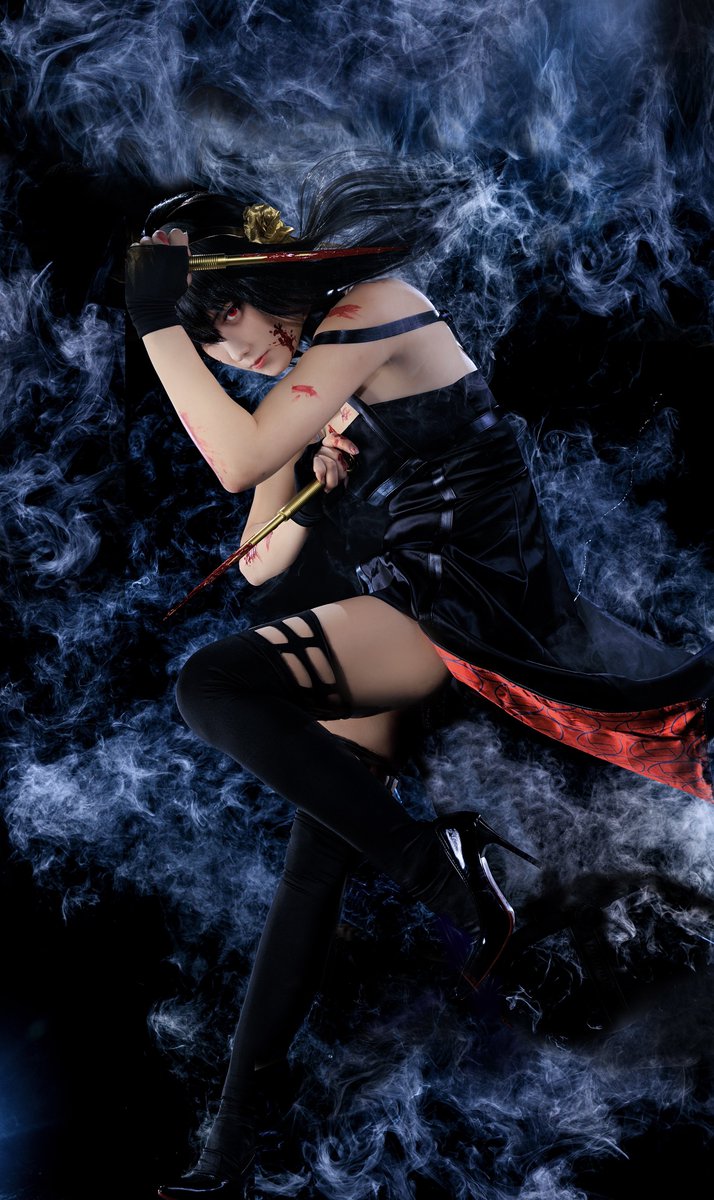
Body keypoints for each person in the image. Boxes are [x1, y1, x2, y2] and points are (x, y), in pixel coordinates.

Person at [125, 157, 714, 1200]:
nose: (227, 350)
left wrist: (153, 325)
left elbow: (229, 458)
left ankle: (447, 875)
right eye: (204, 339)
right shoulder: (316, 377)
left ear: (254, 284)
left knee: (213, 687)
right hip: (417, 602)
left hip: (474, 602)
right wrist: (303, 465)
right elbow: (259, 557)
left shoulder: (376, 307)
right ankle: (228, 1152)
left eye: (222, 323)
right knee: (314, 864)